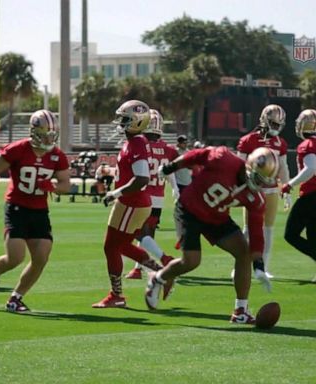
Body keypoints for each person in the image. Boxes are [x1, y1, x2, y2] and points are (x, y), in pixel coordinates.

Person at [145, 145, 279, 324]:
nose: (259, 185)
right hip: (189, 210)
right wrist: (172, 167)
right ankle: (158, 278)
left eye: (264, 181)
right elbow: (196, 155)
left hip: (216, 217)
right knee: (191, 262)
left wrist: (259, 266)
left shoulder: (256, 199)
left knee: (243, 253)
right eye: (258, 179)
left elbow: (256, 231)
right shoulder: (223, 159)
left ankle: (241, 310)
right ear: (249, 167)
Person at [0, 109, 70, 313]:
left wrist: (53, 187)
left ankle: (16, 298)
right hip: (17, 208)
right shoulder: (18, 149)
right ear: (35, 131)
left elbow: (65, 184)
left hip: (39, 211)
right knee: (15, 257)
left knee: (41, 258)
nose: (49, 138)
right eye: (45, 133)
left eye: (52, 134)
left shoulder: (57, 155)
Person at [92, 100, 172, 308]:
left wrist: (115, 192)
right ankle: (160, 272)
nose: (121, 122)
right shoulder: (135, 141)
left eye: (125, 119)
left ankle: (117, 295)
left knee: (113, 247)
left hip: (132, 202)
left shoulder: (136, 143)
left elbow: (142, 178)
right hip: (131, 202)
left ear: (137, 122)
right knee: (119, 246)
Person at [236, 104, 290, 282]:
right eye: (273, 123)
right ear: (265, 121)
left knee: (268, 230)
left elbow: (283, 167)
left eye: (278, 124)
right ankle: (240, 265)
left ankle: (263, 267)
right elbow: (238, 166)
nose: (275, 127)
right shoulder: (248, 140)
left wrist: (286, 188)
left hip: (272, 189)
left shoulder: (280, 143)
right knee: (248, 231)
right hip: (253, 189)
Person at [125, 109, 179, 281]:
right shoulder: (168, 149)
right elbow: (169, 172)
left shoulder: (140, 145)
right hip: (159, 198)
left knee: (138, 233)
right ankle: (138, 268)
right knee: (148, 234)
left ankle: (164, 259)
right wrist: (175, 188)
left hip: (143, 196)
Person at [281, 109, 316, 282]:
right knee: (313, 234)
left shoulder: (308, 144)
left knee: (291, 234)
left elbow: (311, 169)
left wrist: (289, 184)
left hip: (311, 195)